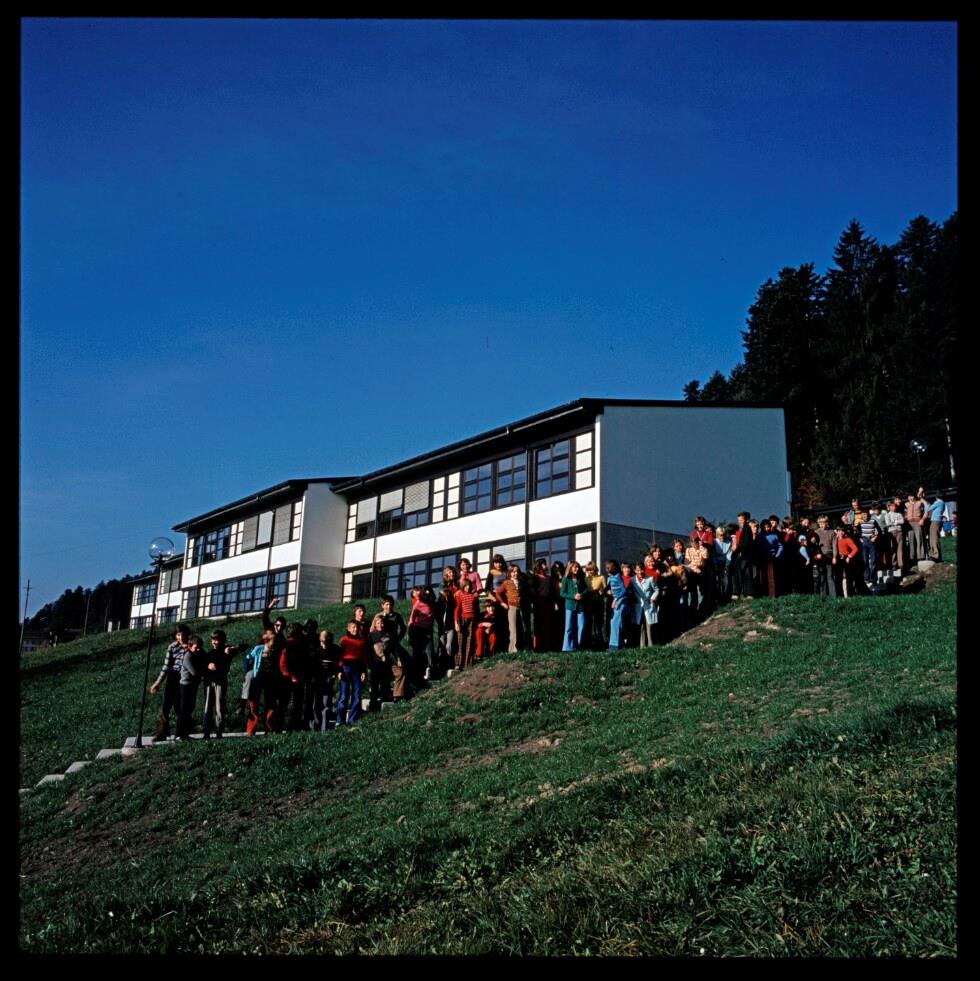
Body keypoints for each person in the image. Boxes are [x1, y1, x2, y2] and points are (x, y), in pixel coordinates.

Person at [149, 623, 190, 740]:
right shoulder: (172, 647)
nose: (181, 637)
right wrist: (157, 683)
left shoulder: (191, 646)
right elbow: (166, 666)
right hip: (173, 676)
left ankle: (182, 731)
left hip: (184, 678)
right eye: (178, 635)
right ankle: (163, 732)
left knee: (179, 706)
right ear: (175, 635)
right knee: (165, 705)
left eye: (183, 635)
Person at [246, 629, 284, 735]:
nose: (274, 645)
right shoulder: (258, 649)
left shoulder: (276, 651)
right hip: (258, 678)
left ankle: (269, 729)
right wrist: (248, 672)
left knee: (270, 704)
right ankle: (251, 730)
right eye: (272, 642)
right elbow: (247, 658)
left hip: (270, 679)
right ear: (267, 641)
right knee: (253, 703)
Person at [201, 629, 233, 739]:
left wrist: (230, 648)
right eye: (212, 640)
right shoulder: (209, 653)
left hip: (220, 681)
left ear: (222, 640)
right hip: (209, 681)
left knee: (219, 707)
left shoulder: (227, 651)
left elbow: (242, 647)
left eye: (216, 640)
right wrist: (207, 666)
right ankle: (206, 732)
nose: (214, 642)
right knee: (207, 706)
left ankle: (219, 731)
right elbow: (204, 666)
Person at [335, 620, 368, 727]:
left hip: (357, 668)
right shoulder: (344, 640)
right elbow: (340, 656)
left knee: (357, 695)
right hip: (346, 667)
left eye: (357, 627)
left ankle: (352, 719)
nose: (355, 629)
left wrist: (364, 671)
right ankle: (340, 720)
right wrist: (339, 670)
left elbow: (364, 657)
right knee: (344, 695)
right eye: (353, 627)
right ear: (348, 628)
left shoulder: (362, 641)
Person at [177, 634, 207, 740]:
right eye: (196, 647)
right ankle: (180, 734)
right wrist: (204, 672)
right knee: (184, 709)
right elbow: (195, 672)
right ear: (190, 647)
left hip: (194, 685)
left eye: (200, 647)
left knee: (190, 707)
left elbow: (206, 658)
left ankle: (185, 733)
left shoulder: (199, 652)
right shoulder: (188, 656)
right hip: (186, 685)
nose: (198, 649)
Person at [311, 630, 340, 730]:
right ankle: (316, 726)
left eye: (327, 641)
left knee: (326, 704)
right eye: (322, 641)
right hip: (317, 679)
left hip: (328, 679)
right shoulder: (316, 651)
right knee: (315, 704)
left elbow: (338, 663)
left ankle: (324, 727)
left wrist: (335, 673)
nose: (324, 644)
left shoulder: (335, 650)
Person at [367, 613, 393, 711]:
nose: (380, 625)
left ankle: (385, 699)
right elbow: (368, 650)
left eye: (382, 623)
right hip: (375, 663)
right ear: (375, 624)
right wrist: (369, 664)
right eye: (378, 623)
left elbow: (391, 647)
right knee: (374, 683)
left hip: (386, 662)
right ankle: (373, 704)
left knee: (385, 682)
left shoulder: (388, 634)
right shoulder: (371, 635)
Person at [559, 560, 587, 651]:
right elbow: (562, 593)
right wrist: (573, 596)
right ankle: (567, 648)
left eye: (578, 567)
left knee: (581, 626)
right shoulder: (565, 579)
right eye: (575, 567)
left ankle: (578, 646)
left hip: (580, 607)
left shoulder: (580, 578)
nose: (577, 569)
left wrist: (581, 594)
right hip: (570, 606)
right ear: (570, 568)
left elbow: (586, 589)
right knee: (569, 627)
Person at [496, 564, 524, 653]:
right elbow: (498, 593)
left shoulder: (521, 582)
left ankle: (521, 647)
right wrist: (503, 603)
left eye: (517, 571)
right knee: (513, 629)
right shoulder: (507, 582)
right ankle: (512, 649)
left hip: (521, 607)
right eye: (513, 572)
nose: (515, 573)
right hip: (512, 607)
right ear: (510, 573)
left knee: (521, 628)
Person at [454, 577, 480, 670]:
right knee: (460, 641)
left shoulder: (473, 596)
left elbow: (476, 609)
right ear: (463, 586)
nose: (468, 587)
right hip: (463, 620)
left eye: (469, 585)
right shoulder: (460, 595)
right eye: (466, 586)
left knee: (469, 641)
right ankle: (458, 663)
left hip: (472, 620)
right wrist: (456, 622)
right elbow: (457, 609)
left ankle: (467, 663)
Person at [435, 566, 458, 671]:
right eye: (449, 572)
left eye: (453, 572)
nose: (451, 574)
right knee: (442, 645)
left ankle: (450, 665)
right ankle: (442, 666)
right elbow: (437, 615)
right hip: (442, 625)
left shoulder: (452, 602)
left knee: (449, 645)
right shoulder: (439, 603)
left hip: (450, 624)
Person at [583, 560, 607, 650]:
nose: (590, 572)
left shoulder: (601, 577)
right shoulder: (585, 579)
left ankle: (601, 643)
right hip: (588, 603)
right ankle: (589, 643)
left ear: (595, 569)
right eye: (588, 570)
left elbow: (605, 589)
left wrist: (602, 591)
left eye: (591, 569)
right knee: (588, 623)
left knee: (599, 623)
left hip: (598, 602)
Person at [811, 515, 837, 597]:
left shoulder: (832, 532)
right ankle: (824, 596)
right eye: (820, 522)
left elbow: (834, 545)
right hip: (820, 557)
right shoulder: (816, 532)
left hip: (829, 555)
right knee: (822, 577)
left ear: (827, 522)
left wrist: (834, 557)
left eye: (824, 522)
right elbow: (813, 546)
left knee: (830, 576)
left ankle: (833, 596)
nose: (822, 524)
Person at [530, 559, 553, 651]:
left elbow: (551, 592)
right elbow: (532, 591)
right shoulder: (534, 578)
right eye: (544, 564)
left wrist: (554, 603)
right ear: (539, 565)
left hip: (548, 603)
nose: (546, 565)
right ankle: (537, 646)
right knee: (538, 625)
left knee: (547, 624)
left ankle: (546, 646)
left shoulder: (549, 578)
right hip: (538, 602)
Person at [606, 559, 628, 650]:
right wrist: (607, 591)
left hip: (621, 601)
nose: (607, 569)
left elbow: (623, 590)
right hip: (615, 602)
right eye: (606, 567)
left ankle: (615, 645)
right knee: (614, 622)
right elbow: (608, 589)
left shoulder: (618, 576)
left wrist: (616, 599)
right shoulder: (610, 578)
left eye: (609, 567)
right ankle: (618, 643)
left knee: (615, 622)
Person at [905, 491, 926, 564]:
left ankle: (921, 556)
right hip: (909, 524)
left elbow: (925, 510)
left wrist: (922, 519)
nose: (910, 497)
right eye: (909, 496)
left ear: (914, 496)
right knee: (911, 541)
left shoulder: (919, 503)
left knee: (919, 539)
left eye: (912, 496)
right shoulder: (906, 504)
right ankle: (912, 558)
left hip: (917, 522)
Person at [925, 493, 945, 561]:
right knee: (936, 537)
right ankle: (937, 555)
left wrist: (925, 503)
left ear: (936, 497)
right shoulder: (943, 503)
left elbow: (929, 508)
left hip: (935, 521)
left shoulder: (937, 502)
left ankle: (935, 555)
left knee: (933, 538)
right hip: (938, 521)